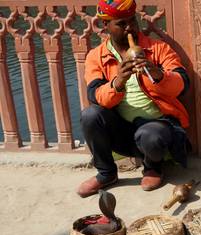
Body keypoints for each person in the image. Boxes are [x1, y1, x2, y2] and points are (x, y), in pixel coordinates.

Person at [77, 0, 190, 197]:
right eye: (121, 24)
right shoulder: (96, 56)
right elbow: (95, 96)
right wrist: (117, 82)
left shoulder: (158, 49)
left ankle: (153, 167)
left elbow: (182, 84)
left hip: (158, 127)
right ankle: (106, 173)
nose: (130, 28)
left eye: (132, 21)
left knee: (150, 134)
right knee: (90, 115)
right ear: (106, 26)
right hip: (122, 131)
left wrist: (158, 74)